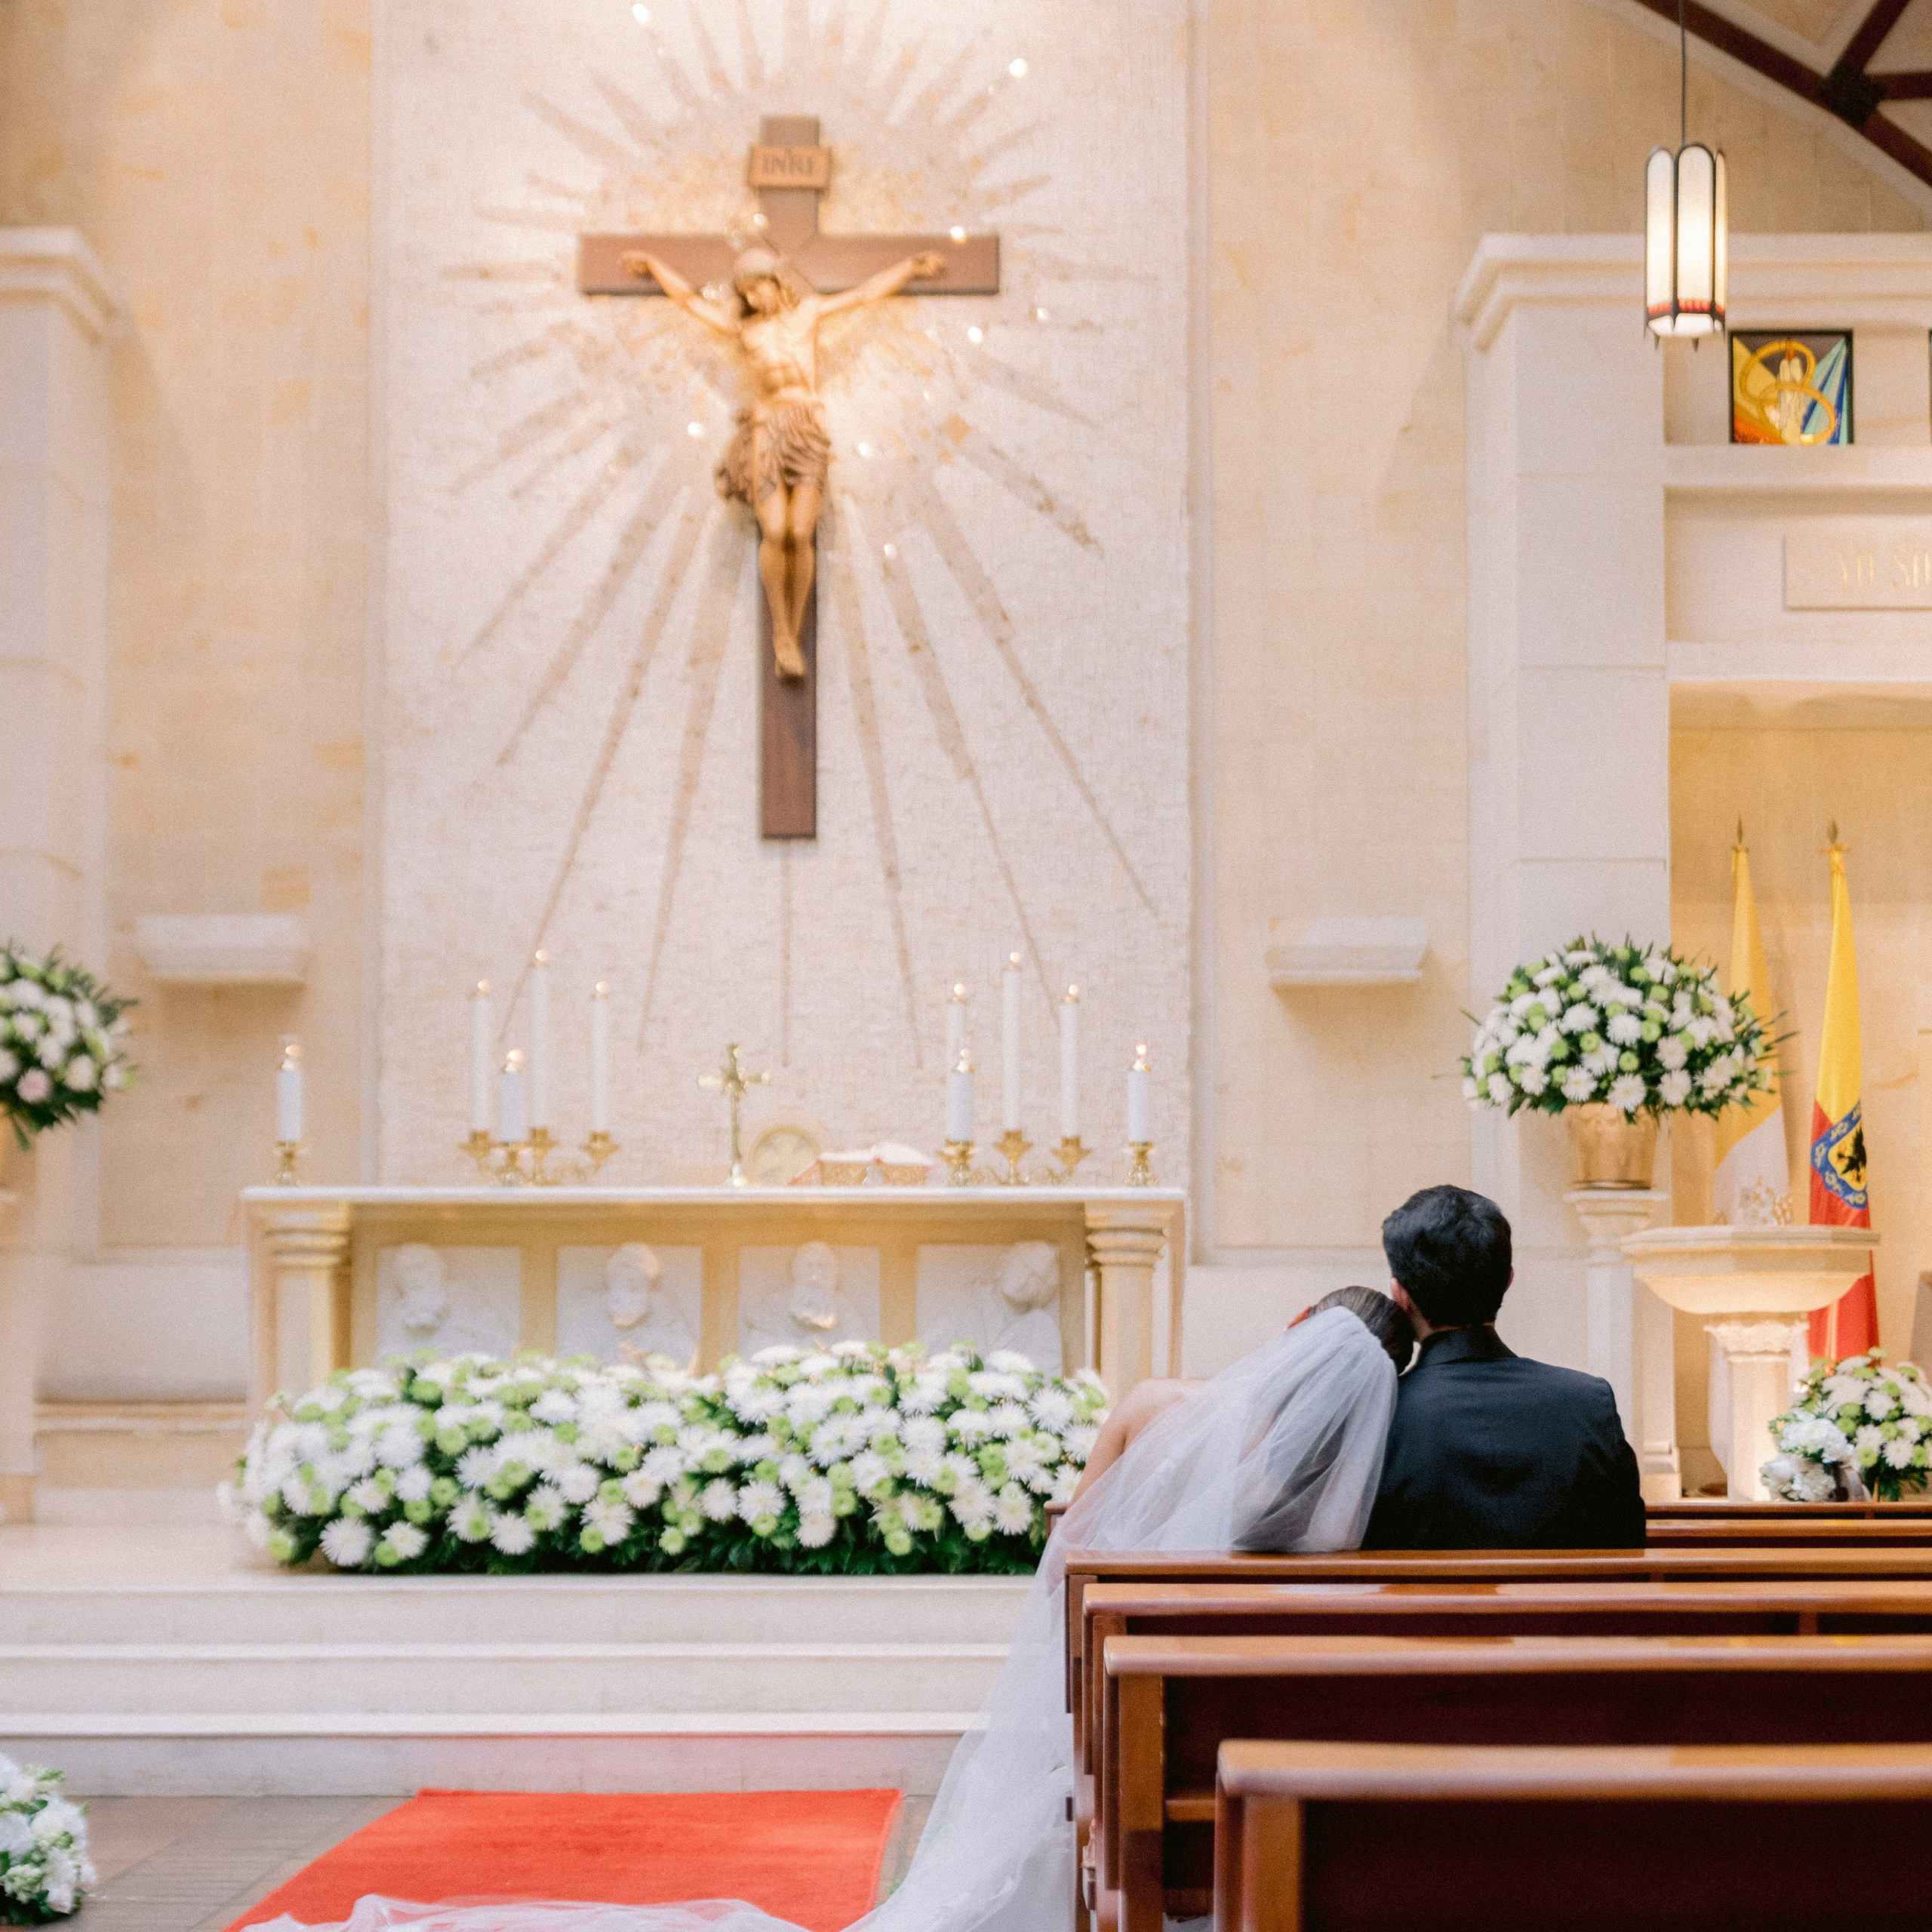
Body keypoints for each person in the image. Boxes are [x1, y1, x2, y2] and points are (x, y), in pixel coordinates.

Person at [254, 1300, 1407, 1932]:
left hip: (1131, 1726)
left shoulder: (1163, 1406)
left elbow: (1076, 1547)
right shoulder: (1356, 1498)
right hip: (1243, 1777)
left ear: (1291, 1337)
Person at [1363, 1183, 1647, 1549]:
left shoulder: (1381, 1414)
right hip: (1563, 1607)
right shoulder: (1588, 1402)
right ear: (1508, 1280)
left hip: (1427, 1608)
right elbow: (1626, 1541)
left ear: (1400, 1295)